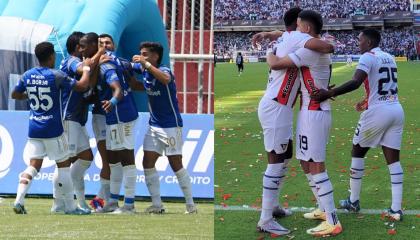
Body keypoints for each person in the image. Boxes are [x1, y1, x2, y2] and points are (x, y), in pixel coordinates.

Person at [252, 7, 335, 236]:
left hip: (279, 107)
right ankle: (265, 219)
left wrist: (269, 38)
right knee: (276, 160)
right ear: (299, 25)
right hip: (277, 106)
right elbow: (325, 45)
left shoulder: (287, 38)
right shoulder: (298, 38)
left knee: (286, 155)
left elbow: (283, 35)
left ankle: (274, 206)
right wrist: (271, 47)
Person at [312, 29, 405, 221]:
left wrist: (329, 93)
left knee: (357, 152)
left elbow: (355, 81)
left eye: (360, 40)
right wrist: (366, 100)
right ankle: (396, 209)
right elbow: (382, 85)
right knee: (393, 161)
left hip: (378, 112)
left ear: (369, 42)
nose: (358, 43)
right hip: (396, 109)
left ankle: (353, 201)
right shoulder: (389, 57)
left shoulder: (367, 57)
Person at [12, 41, 92, 215]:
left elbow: (15, 94)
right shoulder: (56, 75)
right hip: (53, 129)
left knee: (33, 166)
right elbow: (82, 86)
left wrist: (33, 95)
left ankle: (19, 200)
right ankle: (71, 207)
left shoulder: (27, 75)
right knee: (63, 166)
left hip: (34, 128)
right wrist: (85, 69)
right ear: (51, 57)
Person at [132, 42, 197, 214]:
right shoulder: (144, 70)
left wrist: (144, 64)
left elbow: (165, 79)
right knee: (147, 162)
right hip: (154, 125)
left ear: (155, 57)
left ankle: (191, 205)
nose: (142, 57)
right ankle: (157, 205)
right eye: (141, 54)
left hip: (170, 126)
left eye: (145, 54)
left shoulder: (165, 71)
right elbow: (127, 67)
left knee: (175, 163)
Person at [79, 32, 139, 214]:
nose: (105, 46)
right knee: (110, 159)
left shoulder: (112, 64)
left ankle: (126, 204)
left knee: (123, 159)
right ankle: (110, 201)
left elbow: (122, 87)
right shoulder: (97, 64)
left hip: (120, 114)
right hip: (103, 116)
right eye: (101, 43)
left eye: (108, 43)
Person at [57, 31, 105, 213]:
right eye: (83, 45)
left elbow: (88, 84)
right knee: (65, 162)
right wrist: (100, 52)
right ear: (78, 47)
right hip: (69, 118)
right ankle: (59, 203)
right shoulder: (71, 61)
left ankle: (80, 202)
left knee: (86, 158)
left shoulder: (81, 62)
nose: (87, 49)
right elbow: (83, 68)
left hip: (78, 119)